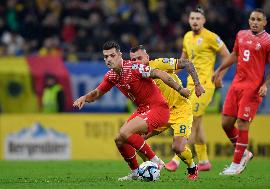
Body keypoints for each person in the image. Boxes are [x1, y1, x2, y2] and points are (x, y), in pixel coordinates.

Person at [73, 41, 190, 181]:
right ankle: (135, 172)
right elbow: (97, 93)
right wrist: (84, 98)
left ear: (120, 55)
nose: (109, 59)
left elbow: (158, 72)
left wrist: (180, 89)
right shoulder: (112, 76)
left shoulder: (134, 67)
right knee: (119, 140)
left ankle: (155, 160)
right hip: (143, 110)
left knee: (125, 132)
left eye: (112, 55)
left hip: (158, 108)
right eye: (106, 57)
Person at [213, 8, 270, 175]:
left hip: (253, 88)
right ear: (249, 20)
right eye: (252, 19)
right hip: (236, 85)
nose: (255, 22)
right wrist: (219, 69)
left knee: (242, 124)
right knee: (226, 124)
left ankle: (236, 164)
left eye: (258, 20)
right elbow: (235, 54)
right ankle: (245, 153)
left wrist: (266, 85)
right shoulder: (241, 35)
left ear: (264, 23)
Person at [166, 6, 230, 171]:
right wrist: (167, 73)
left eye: (198, 19)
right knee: (198, 123)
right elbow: (183, 60)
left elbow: (228, 56)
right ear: (189, 20)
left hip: (205, 86)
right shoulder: (187, 37)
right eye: (192, 18)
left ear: (204, 21)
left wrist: (219, 75)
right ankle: (204, 161)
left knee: (191, 120)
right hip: (189, 85)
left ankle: (177, 159)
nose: (195, 21)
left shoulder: (211, 37)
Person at [130, 45, 205, 180]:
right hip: (160, 112)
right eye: (133, 60)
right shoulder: (136, 77)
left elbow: (187, 63)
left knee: (177, 147)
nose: (137, 62)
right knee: (135, 138)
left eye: (140, 58)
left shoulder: (159, 64)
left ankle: (192, 168)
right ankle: (153, 163)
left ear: (147, 57)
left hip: (181, 109)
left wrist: (197, 84)